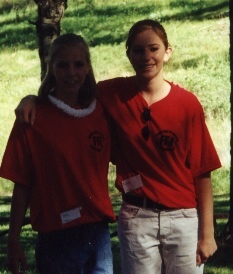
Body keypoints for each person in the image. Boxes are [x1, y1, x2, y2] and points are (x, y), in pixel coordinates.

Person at [14, 19, 221, 274]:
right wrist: (31, 98)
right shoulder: (111, 95)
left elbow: (203, 171)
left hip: (182, 217)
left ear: (167, 52)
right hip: (137, 216)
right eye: (138, 50)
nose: (146, 56)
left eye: (153, 48)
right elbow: (69, 91)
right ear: (128, 54)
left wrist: (207, 233)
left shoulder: (187, 104)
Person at [0, 33, 115, 274]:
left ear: (88, 67)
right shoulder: (32, 118)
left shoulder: (102, 108)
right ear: (51, 68)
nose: (71, 72)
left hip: (98, 232)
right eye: (63, 65)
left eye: (78, 64)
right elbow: (22, 184)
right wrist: (13, 238)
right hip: (56, 236)